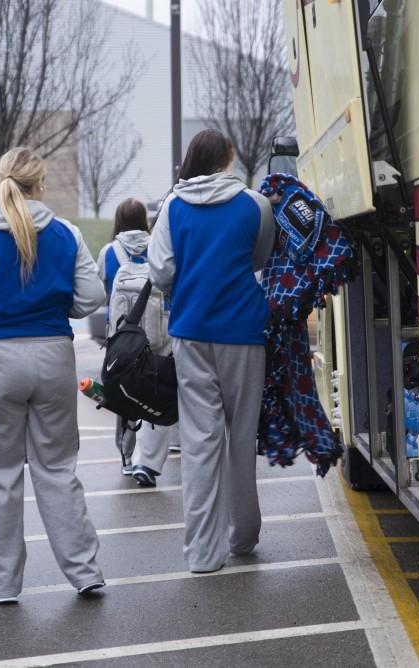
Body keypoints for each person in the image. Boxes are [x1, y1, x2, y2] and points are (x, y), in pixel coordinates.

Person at [0, 146, 107, 603]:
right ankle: (85, 571)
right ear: (41, 184)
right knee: (57, 469)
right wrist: (62, 304)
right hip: (54, 357)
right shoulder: (68, 233)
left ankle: (2, 585)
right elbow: (90, 296)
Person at [148, 129, 275, 573]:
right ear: (227, 159)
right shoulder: (255, 204)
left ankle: (203, 554)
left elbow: (160, 270)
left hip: (191, 330)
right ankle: (243, 535)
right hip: (243, 329)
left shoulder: (172, 206)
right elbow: (260, 259)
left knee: (200, 441)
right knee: (241, 434)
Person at [96, 198, 179, 487]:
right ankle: (149, 462)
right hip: (159, 332)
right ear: (145, 220)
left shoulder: (109, 252)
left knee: (122, 393)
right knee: (157, 390)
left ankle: (127, 459)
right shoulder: (158, 245)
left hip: (123, 336)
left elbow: (100, 293)